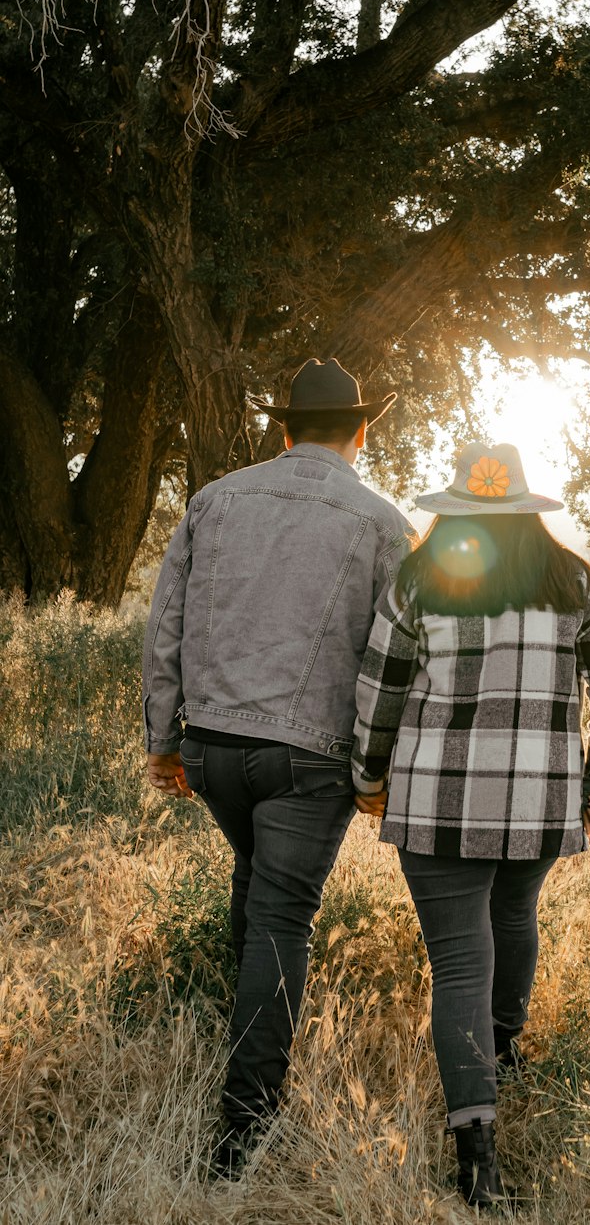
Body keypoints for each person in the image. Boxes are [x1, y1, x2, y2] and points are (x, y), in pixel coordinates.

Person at [143, 357, 414, 1178]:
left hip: (214, 748)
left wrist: (164, 738)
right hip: (310, 756)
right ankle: (245, 1124)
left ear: (285, 428)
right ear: (362, 431)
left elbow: (166, 626)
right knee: (281, 918)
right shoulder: (380, 520)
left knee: (255, 887)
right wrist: (378, 766)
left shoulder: (214, 498)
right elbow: (391, 655)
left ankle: (238, 1044)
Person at [352, 441, 590, 1209]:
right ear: (526, 512)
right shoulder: (575, 582)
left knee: (458, 965)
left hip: (435, 804)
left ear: (454, 513)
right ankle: (501, 1053)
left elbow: (379, 689)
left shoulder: (419, 581)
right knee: (514, 916)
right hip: (538, 805)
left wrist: (367, 778)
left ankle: (478, 1162)